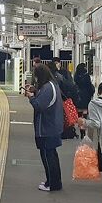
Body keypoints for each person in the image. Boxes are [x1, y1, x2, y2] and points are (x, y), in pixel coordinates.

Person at [28, 64, 63, 192]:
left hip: (47, 127)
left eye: (36, 76)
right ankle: (54, 182)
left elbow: (39, 106)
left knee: (48, 156)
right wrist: (36, 91)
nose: (35, 79)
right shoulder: (52, 85)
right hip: (52, 126)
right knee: (52, 155)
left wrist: (31, 97)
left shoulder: (47, 88)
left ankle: (52, 184)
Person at [74, 63, 95, 138]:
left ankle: (81, 130)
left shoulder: (76, 76)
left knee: (79, 113)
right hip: (86, 96)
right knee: (85, 113)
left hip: (78, 96)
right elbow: (89, 86)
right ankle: (84, 128)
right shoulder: (86, 76)